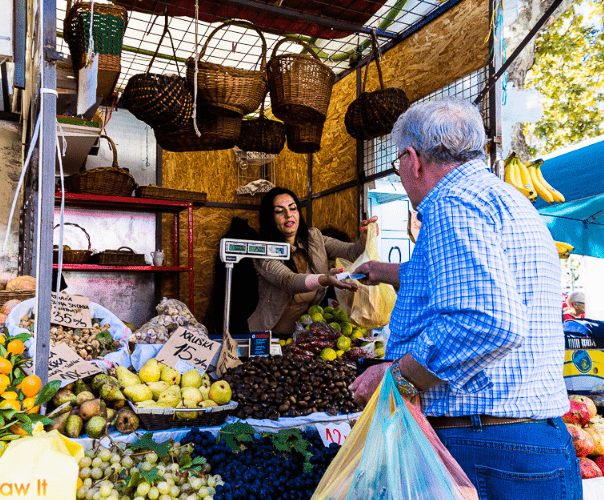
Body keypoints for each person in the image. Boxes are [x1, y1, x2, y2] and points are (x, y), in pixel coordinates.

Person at [352, 98, 581, 500]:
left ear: (412, 159)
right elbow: (465, 282)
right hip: (528, 439)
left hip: (486, 447)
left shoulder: (450, 205)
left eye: (397, 168)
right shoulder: (504, 199)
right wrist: (387, 271)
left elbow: (486, 321)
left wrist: (397, 375)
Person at [247, 187, 376, 337]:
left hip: (299, 334)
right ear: (270, 217)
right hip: (267, 335)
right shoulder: (263, 250)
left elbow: (350, 252)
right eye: (279, 211)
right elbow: (288, 281)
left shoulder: (313, 237)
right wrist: (325, 279)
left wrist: (365, 238)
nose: (288, 215)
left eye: (292, 208)